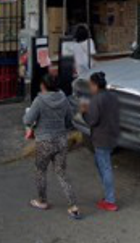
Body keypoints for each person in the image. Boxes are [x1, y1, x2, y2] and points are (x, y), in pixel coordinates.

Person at [23, 73, 81, 219]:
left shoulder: (39, 100)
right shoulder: (63, 98)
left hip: (44, 142)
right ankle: (73, 206)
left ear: (43, 85)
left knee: (41, 171)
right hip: (61, 141)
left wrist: (30, 122)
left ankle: (42, 201)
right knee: (61, 173)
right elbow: (69, 119)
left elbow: (28, 120)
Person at [82, 71, 121, 212]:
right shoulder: (113, 96)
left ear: (95, 85)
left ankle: (110, 200)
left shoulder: (96, 99)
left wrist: (84, 112)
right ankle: (108, 197)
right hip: (112, 135)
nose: (90, 88)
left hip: (101, 138)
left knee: (105, 167)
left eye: (90, 85)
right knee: (102, 165)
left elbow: (92, 120)